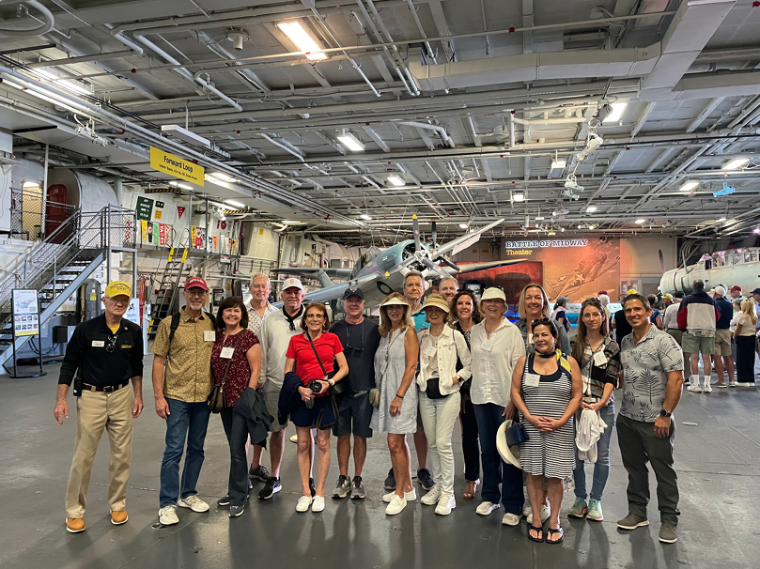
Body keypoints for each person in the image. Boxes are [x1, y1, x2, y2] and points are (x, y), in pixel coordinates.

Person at [54, 281, 144, 534]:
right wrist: (61, 400)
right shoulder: (86, 330)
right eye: (115, 299)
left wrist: (138, 395)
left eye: (124, 300)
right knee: (83, 456)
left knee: (122, 455)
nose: (120, 303)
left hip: (121, 395)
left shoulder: (132, 331)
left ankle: (118, 504)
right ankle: (74, 510)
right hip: (91, 396)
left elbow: (137, 367)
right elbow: (68, 365)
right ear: (104, 300)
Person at [617, 293, 684, 544]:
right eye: (628, 310)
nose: (632, 314)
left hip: (656, 420)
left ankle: (669, 519)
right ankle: (637, 512)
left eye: (637, 309)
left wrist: (665, 415)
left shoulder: (664, 342)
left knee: (663, 471)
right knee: (634, 470)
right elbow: (627, 375)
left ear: (649, 311)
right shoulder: (625, 341)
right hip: (627, 418)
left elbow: (676, 380)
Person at [511, 319, 582, 543]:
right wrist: (529, 417)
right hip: (532, 429)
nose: (540, 339)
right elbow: (515, 392)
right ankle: (536, 519)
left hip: (560, 429)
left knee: (555, 476)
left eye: (545, 335)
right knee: (533, 474)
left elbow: (577, 395)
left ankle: (554, 521)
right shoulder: (525, 361)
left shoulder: (569, 362)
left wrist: (561, 421)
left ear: (555, 337)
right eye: (537, 335)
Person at [152, 276, 215, 526]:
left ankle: (188, 494)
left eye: (201, 293)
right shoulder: (170, 323)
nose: (197, 297)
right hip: (177, 396)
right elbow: (159, 361)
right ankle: (167, 502)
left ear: (206, 295)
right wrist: (159, 397)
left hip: (204, 397)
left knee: (197, 448)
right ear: (185, 294)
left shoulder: (212, 322)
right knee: (174, 450)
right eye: (193, 292)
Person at [285, 303, 349, 513]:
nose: (314, 319)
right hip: (303, 397)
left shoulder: (332, 339)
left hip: (325, 397)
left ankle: (320, 492)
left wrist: (328, 383)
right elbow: (289, 370)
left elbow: (344, 368)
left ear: (324, 320)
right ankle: (306, 492)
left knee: (322, 443)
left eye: (318, 316)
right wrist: (300, 389)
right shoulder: (295, 341)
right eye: (310, 315)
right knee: (303, 443)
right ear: (305, 319)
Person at [470, 287, 526, 525]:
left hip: (504, 400)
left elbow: (519, 367)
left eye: (497, 302)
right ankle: (490, 496)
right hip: (481, 398)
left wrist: (514, 399)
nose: (492, 305)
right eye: (487, 302)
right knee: (488, 450)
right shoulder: (474, 331)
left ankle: (513, 505)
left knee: (509, 452)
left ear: (504, 307)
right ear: (481, 306)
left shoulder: (512, 332)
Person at [417, 294, 472, 516]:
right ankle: (438, 485)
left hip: (449, 394)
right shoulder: (421, 336)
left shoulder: (455, 336)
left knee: (443, 442)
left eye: (437, 310)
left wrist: (455, 378)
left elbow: (469, 364)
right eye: (429, 310)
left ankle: (448, 493)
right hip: (425, 394)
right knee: (432, 442)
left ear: (444, 313)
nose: (433, 313)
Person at [568, 298, 621, 522]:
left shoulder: (612, 346)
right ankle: (580, 499)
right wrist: (577, 401)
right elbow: (570, 375)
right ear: (582, 318)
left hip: (603, 407)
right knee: (575, 455)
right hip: (577, 407)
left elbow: (612, 377)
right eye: (587, 315)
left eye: (595, 315)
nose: (591, 319)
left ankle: (596, 500)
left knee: (602, 456)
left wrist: (601, 402)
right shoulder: (574, 344)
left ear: (603, 317)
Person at [211, 297, 262, 517]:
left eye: (236, 311)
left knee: (237, 448)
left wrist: (248, 397)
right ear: (221, 314)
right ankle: (237, 490)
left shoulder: (249, 338)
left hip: (241, 401)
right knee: (234, 446)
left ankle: (238, 496)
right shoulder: (217, 337)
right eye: (228, 310)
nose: (232, 314)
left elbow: (256, 370)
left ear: (242, 314)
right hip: (225, 401)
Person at [257, 277, 307, 499]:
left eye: (297, 292)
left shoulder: (312, 318)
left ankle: (308, 481)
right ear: (281, 295)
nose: (293, 296)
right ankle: (275, 477)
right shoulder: (270, 320)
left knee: (306, 435)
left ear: (302, 296)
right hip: (276, 384)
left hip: (305, 387)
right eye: (288, 292)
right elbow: (263, 352)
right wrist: (261, 380)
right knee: (277, 431)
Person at [329, 288, 381, 500]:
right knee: (342, 437)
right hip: (340, 393)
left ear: (363, 304)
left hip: (364, 393)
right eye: (350, 300)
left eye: (357, 301)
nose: (354, 304)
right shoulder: (334, 329)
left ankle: (358, 478)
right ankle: (343, 477)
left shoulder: (374, 329)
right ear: (343, 304)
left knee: (360, 437)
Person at [384, 271, 434, 492]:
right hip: (399, 378)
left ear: (424, 289)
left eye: (417, 284)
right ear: (403, 289)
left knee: (420, 429)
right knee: (396, 429)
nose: (414, 288)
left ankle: (422, 469)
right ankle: (397, 471)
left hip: (422, 378)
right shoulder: (395, 314)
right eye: (409, 285)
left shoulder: (430, 314)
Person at [372, 293, 420, 515]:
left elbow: (411, 366)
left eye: (398, 307)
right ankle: (407, 488)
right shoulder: (385, 334)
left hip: (402, 394)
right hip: (388, 393)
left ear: (404, 310)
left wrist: (399, 396)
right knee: (398, 443)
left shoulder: (408, 333)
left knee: (395, 442)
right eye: (390, 308)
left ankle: (400, 494)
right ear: (384, 311)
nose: (394, 311)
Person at [449, 290, 482, 500]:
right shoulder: (450, 331)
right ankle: (472, 478)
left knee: (490, 437)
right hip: (464, 393)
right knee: (469, 436)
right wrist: (461, 391)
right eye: (459, 303)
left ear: (473, 306)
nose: (463, 307)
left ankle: (496, 475)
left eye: (467, 303)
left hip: (486, 390)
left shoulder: (482, 329)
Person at [246, 273, 278, 483]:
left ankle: (256, 465)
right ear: (250, 289)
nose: (260, 290)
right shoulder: (241, 314)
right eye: (256, 286)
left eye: (264, 287)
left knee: (269, 426)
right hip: (246, 378)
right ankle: (240, 475)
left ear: (269, 290)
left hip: (271, 378)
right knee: (245, 427)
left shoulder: (277, 315)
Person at [677, 279, 719, 394]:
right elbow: (717, 315)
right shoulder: (711, 300)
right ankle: (707, 385)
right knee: (707, 358)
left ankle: (695, 384)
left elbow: (681, 315)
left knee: (694, 358)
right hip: (708, 331)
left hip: (692, 330)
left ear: (693, 287)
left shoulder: (688, 299)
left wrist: (683, 328)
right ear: (704, 286)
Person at [516, 284, 571, 355]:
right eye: (528, 298)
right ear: (523, 302)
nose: (533, 301)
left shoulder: (558, 327)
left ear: (544, 302)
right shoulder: (515, 329)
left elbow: (567, 359)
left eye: (537, 297)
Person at [712, 286, 735, 388]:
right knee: (728, 355)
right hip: (727, 331)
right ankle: (732, 380)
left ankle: (721, 380)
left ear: (716, 294)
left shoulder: (714, 303)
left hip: (716, 330)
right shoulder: (729, 303)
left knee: (717, 356)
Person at [734, 300, 758, 386]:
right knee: (750, 359)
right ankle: (750, 379)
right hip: (752, 338)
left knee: (741, 359)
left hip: (743, 338)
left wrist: (734, 336)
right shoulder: (754, 317)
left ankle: (742, 380)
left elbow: (738, 330)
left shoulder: (743, 317)